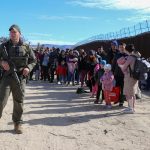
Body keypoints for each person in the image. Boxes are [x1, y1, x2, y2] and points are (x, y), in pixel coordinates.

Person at [0, 24, 36, 134]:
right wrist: (2, 62)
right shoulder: (3, 46)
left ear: (19, 33)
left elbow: (33, 61)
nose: (12, 34)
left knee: (19, 101)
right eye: (11, 32)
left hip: (20, 77)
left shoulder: (26, 46)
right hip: (7, 77)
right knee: (1, 100)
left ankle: (17, 123)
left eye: (14, 32)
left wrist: (28, 68)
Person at [117, 44, 138, 113]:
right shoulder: (136, 56)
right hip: (135, 77)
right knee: (132, 93)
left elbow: (124, 67)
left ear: (126, 50)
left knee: (129, 93)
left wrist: (120, 65)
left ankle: (131, 108)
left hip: (129, 77)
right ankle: (131, 107)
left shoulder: (129, 58)